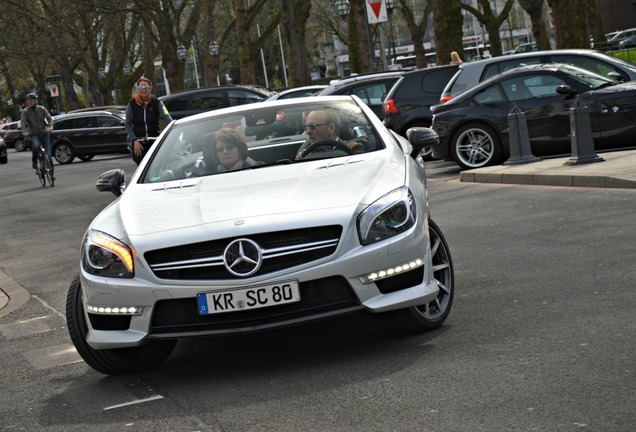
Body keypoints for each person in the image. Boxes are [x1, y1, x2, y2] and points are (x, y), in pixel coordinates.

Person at [125, 77, 173, 165]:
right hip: (139, 143)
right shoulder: (131, 105)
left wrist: (174, 127)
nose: (144, 90)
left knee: (157, 165)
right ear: (137, 89)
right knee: (142, 166)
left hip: (154, 140)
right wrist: (134, 140)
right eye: (141, 88)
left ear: (151, 88)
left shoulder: (158, 103)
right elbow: (127, 124)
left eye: (146, 88)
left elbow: (167, 118)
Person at [295, 109, 363, 160]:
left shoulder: (353, 148)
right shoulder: (305, 154)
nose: (308, 131)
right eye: (306, 126)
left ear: (331, 128)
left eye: (313, 126)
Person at [21, 92, 54, 176]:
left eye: (31, 100)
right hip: (33, 133)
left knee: (49, 154)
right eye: (28, 101)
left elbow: (49, 118)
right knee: (35, 146)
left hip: (44, 132)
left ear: (36, 101)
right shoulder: (25, 111)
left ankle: (52, 174)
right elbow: (23, 122)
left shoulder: (41, 109)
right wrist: (24, 131)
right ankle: (34, 161)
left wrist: (50, 127)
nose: (30, 102)